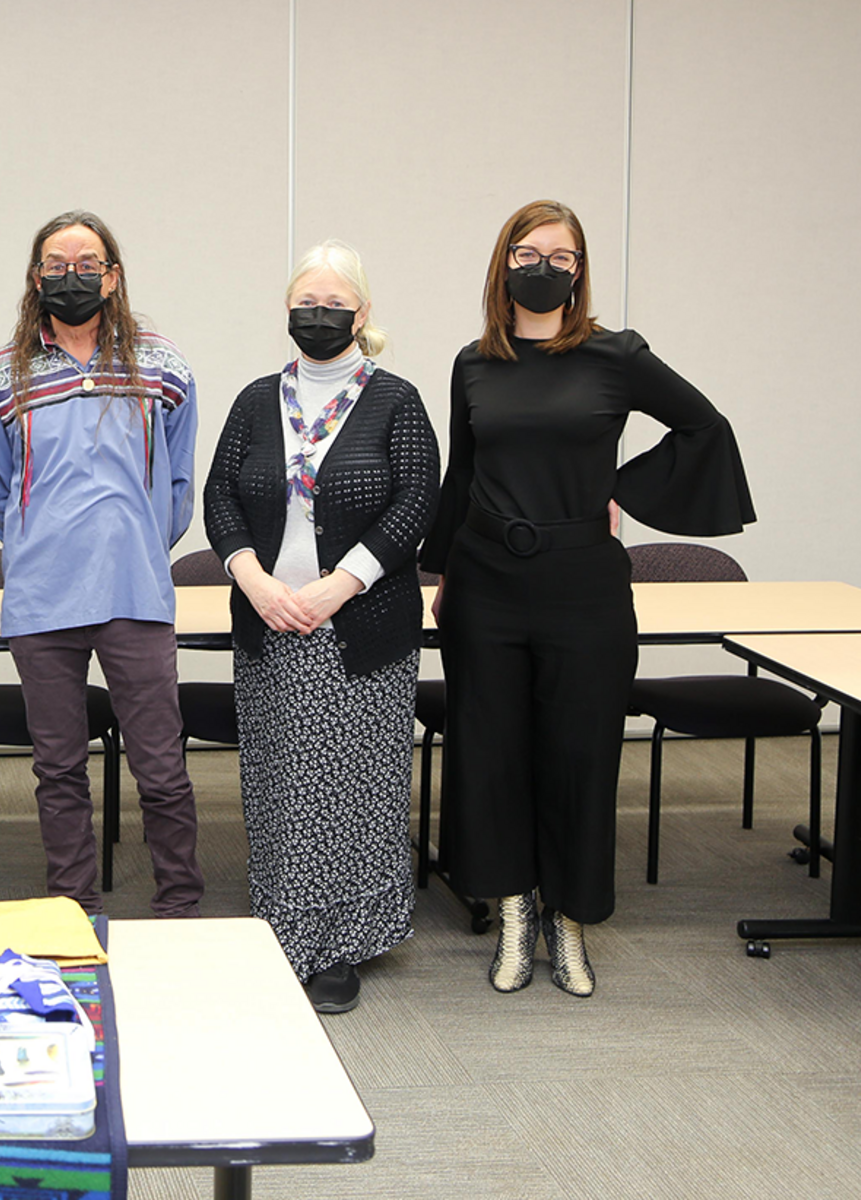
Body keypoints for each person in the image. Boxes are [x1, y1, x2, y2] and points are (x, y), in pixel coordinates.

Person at [421, 199, 754, 997]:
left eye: (561, 256)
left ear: (580, 269)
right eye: (528, 252)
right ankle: (511, 914)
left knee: (579, 753)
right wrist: (443, 577)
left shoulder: (616, 355)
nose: (544, 266)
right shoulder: (475, 362)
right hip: (487, 581)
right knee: (492, 753)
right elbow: (461, 476)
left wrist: (619, 489)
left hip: (583, 587)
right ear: (503, 263)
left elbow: (704, 426)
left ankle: (567, 921)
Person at [202, 240, 439, 1013]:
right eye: (306, 303)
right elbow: (221, 500)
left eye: (335, 304)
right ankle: (281, 926)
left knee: (356, 788)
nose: (319, 315)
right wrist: (254, 580)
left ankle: (342, 942)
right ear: (287, 310)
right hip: (271, 619)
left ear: (362, 313)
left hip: (361, 623)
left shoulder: (395, 399)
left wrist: (338, 586)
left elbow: (415, 505)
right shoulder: (254, 400)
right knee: (280, 784)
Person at [0, 210, 204, 919]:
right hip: (42, 602)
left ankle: (180, 905)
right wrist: (42, 543)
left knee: (161, 767)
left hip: (136, 595)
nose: (70, 276)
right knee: (58, 770)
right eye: (55, 263)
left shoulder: (163, 365)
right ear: (35, 276)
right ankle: (74, 908)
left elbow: (176, 485)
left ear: (112, 275)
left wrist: (131, 541)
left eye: (86, 263)